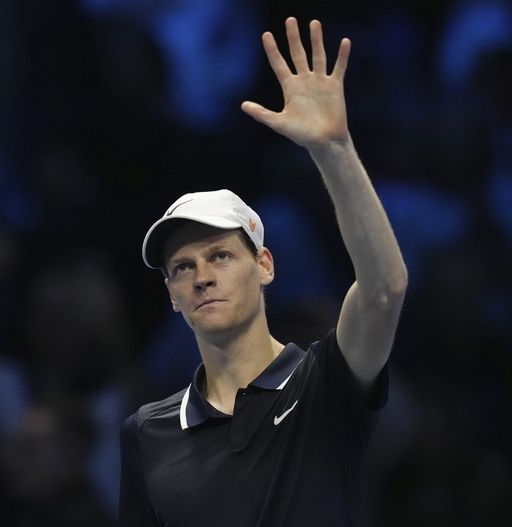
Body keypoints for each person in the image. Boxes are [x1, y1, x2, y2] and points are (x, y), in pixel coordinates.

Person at [119, 17, 407, 526]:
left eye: (220, 256)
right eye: (182, 267)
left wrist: (333, 149)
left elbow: (384, 290)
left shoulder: (324, 384)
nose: (201, 276)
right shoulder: (146, 432)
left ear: (265, 265)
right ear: (171, 294)